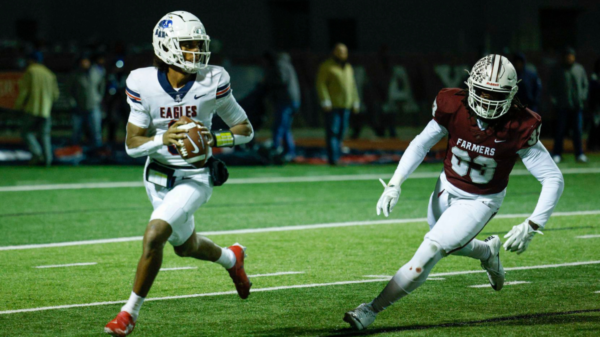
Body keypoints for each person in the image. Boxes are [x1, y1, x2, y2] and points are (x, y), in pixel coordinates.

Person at [344, 55, 564, 331]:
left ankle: (370, 310)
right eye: (483, 91)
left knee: (431, 250)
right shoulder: (453, 105)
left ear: (511, 94)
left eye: (496, 93)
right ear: (470, 86)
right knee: (447, 242)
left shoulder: (519, 125)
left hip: (480, 200)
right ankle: (487, 251)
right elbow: (420, 144)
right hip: (445, 186)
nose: (488, 100)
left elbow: (552, 178)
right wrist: (394, 182)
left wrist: (533, 224)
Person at [104, 11, 254, 336]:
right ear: (166, 47)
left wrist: (215, 138)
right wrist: (163, 138)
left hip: (196, 176)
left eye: (199, 44)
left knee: (155, 233)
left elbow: (245, 130)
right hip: (156, 175)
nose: (196, 51)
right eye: (188, 45)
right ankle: (232, 259)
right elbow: (131, 145)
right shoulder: (142, 82)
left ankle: (128, 313)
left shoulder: (213, 80)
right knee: (184, 246)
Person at [316, 43, 360, 165]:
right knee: (333, 131)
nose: (342, 54)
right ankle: (333, 158)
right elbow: (321, 84)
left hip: (346, 104)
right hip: (333, 105)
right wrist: (325, 100)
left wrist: (355, 100)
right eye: (339, 51)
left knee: (342, 131)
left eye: (344, 51)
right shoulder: (327, 66)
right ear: (334, 52)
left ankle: (338, 156)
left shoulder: (348, 68)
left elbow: (352, 86)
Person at [14, 51, 59, 166]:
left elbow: (24, 92)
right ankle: (48, 159)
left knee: (25, 132)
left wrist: (18, 106)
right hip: (46, 110)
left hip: (32, 108)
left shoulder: (31, 71)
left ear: (31, 60)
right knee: (45, 135)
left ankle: (37, 153)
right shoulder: (49, 73)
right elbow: (56, 95)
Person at [549, 47, 589, 163]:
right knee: (560, 131)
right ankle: (557, 153)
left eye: (571, 56)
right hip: (562, 106)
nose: (569, 58)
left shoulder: (579, 69)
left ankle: (579, 154)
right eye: (567, 56)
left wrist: (582, 97)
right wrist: (555, 101)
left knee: (578, 131)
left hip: (577, 107)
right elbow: (552, 87)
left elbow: (585, 84)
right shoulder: (558, 70)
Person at [263, 51, 301, 161]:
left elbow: (281, 80)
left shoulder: (280, 65)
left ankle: (276, 150)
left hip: (285, 100)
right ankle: (289, 152)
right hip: (292, 100)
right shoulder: (287, 64)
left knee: (278, 127)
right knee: (285, 128)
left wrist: (267, 82)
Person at [68, 53, 105, 150]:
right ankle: (74, 151)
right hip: (79, 108)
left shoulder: (96, 72)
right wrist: (73, 103)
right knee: (76, 132)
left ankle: (97, 152)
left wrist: (98, 98)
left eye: (86, 61)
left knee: (96, 131)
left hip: (93, 106)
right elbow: (69, 90)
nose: (84, 63)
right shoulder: (75, 74)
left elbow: (101, 86)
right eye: (82, 61)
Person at [587, 58, 600, 151]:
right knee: (595, 125)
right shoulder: (594, 78)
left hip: (596, 105)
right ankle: (592, 145)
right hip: (596, 105)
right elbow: (593, 93)